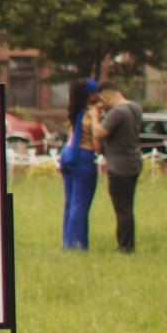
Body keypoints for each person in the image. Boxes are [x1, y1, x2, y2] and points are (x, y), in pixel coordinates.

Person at [92, 83, 145, 254]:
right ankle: (128, 243)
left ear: (106, 96)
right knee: (128, 206)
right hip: (133, 161)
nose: (102, 103)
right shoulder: (135, 107)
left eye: (102, 100)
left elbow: (99, 133)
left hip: (119, 165)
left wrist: (94, 116)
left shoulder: (118, 112)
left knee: (121, 208)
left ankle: (125, 247)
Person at [57, 77, 100, 252]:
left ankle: (67, 241)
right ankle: (78, 244)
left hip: (67, 153)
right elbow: (97, 141)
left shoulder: (74, 111)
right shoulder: (91, 113)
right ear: (90, 96)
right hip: (83, 155)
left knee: (69, 201)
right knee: (80, 203)